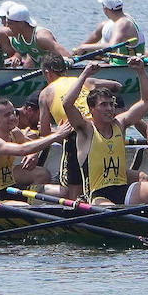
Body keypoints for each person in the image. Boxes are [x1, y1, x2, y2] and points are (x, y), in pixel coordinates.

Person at [61, 59, 148, 206]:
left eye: (111, 104)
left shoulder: (120, 124)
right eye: (103, 105)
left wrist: (141, 71)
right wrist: (85, 74)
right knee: (112, 210)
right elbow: (67, 104)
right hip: (96, 196)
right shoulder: (86, 129)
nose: (109, 109)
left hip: (122, 190)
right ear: (91, 109)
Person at [36, 52, 122, 197]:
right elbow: (117, 85)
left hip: (76, 136)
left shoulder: (45, 93)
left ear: (46, 73)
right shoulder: (86, 81)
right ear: (66, 70)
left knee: (69, 191)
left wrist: (57, 131)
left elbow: (44, 134)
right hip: (99, 129)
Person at [0, 98, 72, 202]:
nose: (13, 118)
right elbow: (22, 149)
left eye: (13, 113)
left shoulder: (15, 133)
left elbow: (31, 145)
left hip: (12, 189)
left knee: (64, 192)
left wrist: (34, 153)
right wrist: (56, 135)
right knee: (25, 208)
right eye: (7, 115)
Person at [74, 0, 146, 55]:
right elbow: (85, 44)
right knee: (102, 27)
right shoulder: (123, 18)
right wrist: (78, 50)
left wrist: (84, 47)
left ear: (105, 9)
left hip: (128, 66)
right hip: (116, 63)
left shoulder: (122, 24)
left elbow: (112, 47)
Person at [4, 4, 68, 69]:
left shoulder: (41, 37)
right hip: (43, 73)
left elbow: (67, 56)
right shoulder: (17, 33)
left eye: (10, 23)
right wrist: (16, 56)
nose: (7, 26)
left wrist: (65, 63)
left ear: (21, 23)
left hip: (55, 72)